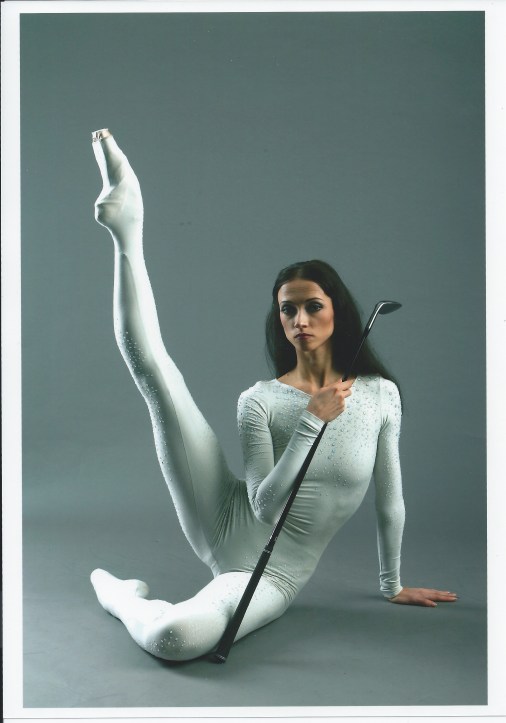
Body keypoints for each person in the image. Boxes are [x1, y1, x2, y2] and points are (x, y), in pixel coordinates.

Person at [89, 129, 457, 662]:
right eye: (288, 309)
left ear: (338, 311)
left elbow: (390, 500)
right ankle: (127, 228)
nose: (300, 319)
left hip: (272, 573)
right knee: (154, 373)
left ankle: (120, 597)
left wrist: (392, 584)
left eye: (312, 306)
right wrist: (312, 420)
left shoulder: (380, 396)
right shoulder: (259, 399)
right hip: (224, 515)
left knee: (173, 639)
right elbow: (262, 504)